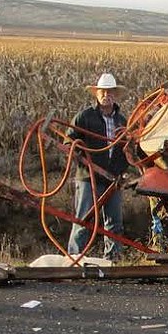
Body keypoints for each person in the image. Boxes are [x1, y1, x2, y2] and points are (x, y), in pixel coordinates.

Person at [67, 73, 134, 260]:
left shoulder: (122, 122)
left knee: (114, 223)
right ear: (97, 94)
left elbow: (128, 150)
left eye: (110, 92)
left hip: (113, 179)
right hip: (89, 178)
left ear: (115, 95)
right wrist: (81, 158)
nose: (106, 95)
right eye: (102, 92)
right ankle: (74, 259)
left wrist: (124, 171)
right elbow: (69, 141)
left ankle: (112, 260)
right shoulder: (85, 117)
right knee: (83, 220)